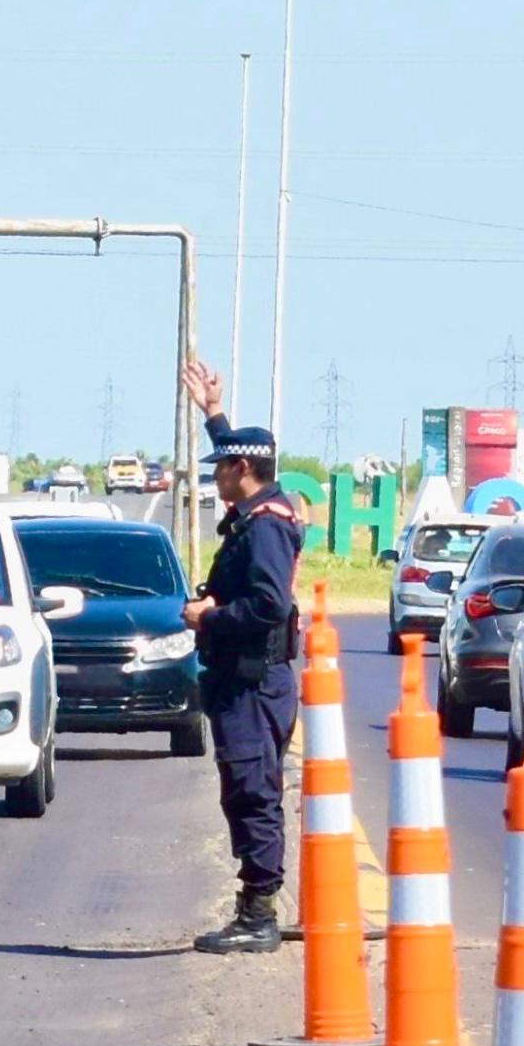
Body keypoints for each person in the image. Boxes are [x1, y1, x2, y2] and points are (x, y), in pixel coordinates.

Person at [178, 357, 304, 954]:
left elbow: (269, 606)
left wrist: (210, 616)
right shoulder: (258, 512)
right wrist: (214, 414)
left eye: (222, 468)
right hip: (243, 680)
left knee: (253, 792)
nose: (217, 479)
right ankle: (256, 906)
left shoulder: (266, 527)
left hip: (255, 682)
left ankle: (259, 915)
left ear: (243, 470)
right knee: (244, 788)